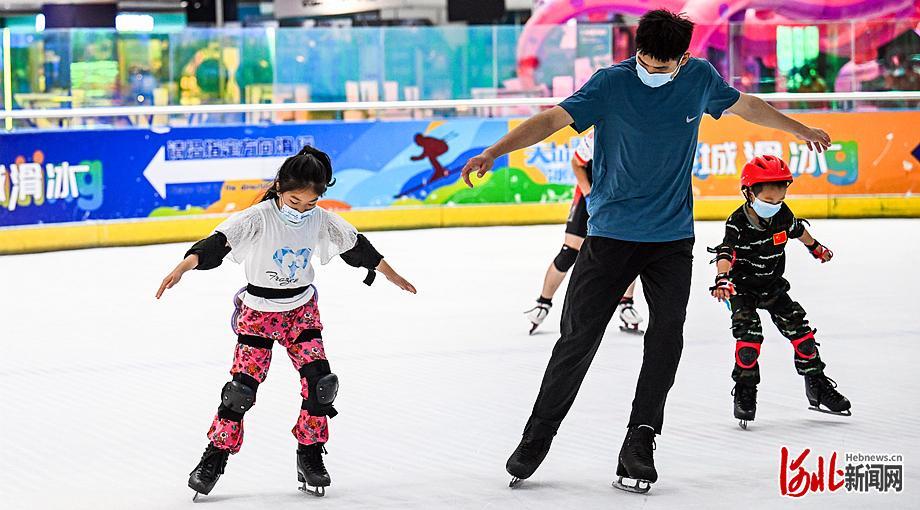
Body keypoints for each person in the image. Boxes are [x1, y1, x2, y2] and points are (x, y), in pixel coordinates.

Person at [459, 9, 832, 493]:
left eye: (663, 66)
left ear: (683, 58)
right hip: (610, 237)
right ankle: (537, 436)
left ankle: (640, 440)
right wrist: (494, 151)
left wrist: (800, 130)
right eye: (647, 62)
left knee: (666, 339)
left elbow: (748, 106)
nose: (653, 72)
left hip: (671, 240)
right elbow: (551, 119)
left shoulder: (699, 78)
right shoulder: (610, 83)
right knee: (577, 340)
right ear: (636, 51)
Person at [155, 146, 417, 499]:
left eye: (310, 203)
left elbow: (357, 248)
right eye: (294, 201)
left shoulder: (321, 219)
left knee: (321, 384)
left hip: (301, 312)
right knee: (240, 392)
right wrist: (183, 267)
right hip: (258, 314)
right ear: (279, 186)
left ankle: (309, 453)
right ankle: (214, 456)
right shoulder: (258, 218)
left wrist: (391, 274)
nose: (301, 210)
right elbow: (216, 244)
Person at [709, 155, 851, 430]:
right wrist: (722, 279)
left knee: (803, 335)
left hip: (772, 285)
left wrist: (816, 248)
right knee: (748, 339)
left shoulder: (782, 215)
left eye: (779, 200)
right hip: (742, 288)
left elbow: (798, 230)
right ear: (749, 193)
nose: (774, 206)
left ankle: (817, 386)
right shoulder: (737, 221)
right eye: (767, 201)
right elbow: (726, 251)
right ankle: (745, 390)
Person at [524, 129, 643, 335]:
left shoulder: (640, 136)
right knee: (570, 251)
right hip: (590, 190)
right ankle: (543, 303)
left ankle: (626, 303)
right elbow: (576, 163)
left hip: (620, 193)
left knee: (629, 247)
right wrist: (588, 195)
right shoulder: (596, 136)